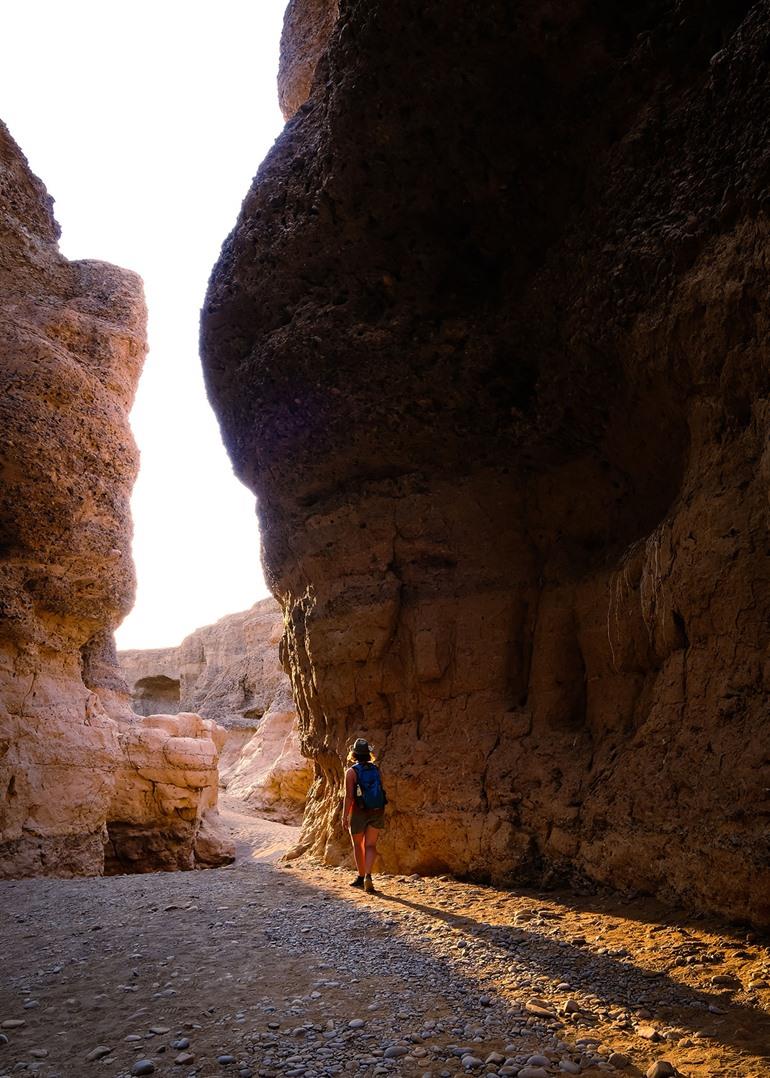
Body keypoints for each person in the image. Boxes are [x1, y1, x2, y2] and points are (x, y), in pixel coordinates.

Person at [341, 737, 386, 893]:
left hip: (359, 811)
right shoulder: (376, 770)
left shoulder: (351, 772)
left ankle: (361, 877)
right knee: (370, 845)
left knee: (358, 844)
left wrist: (344, 816)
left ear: (354, 754)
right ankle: (368, 875)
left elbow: (349, 797)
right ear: (368, 754)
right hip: (377, 809)